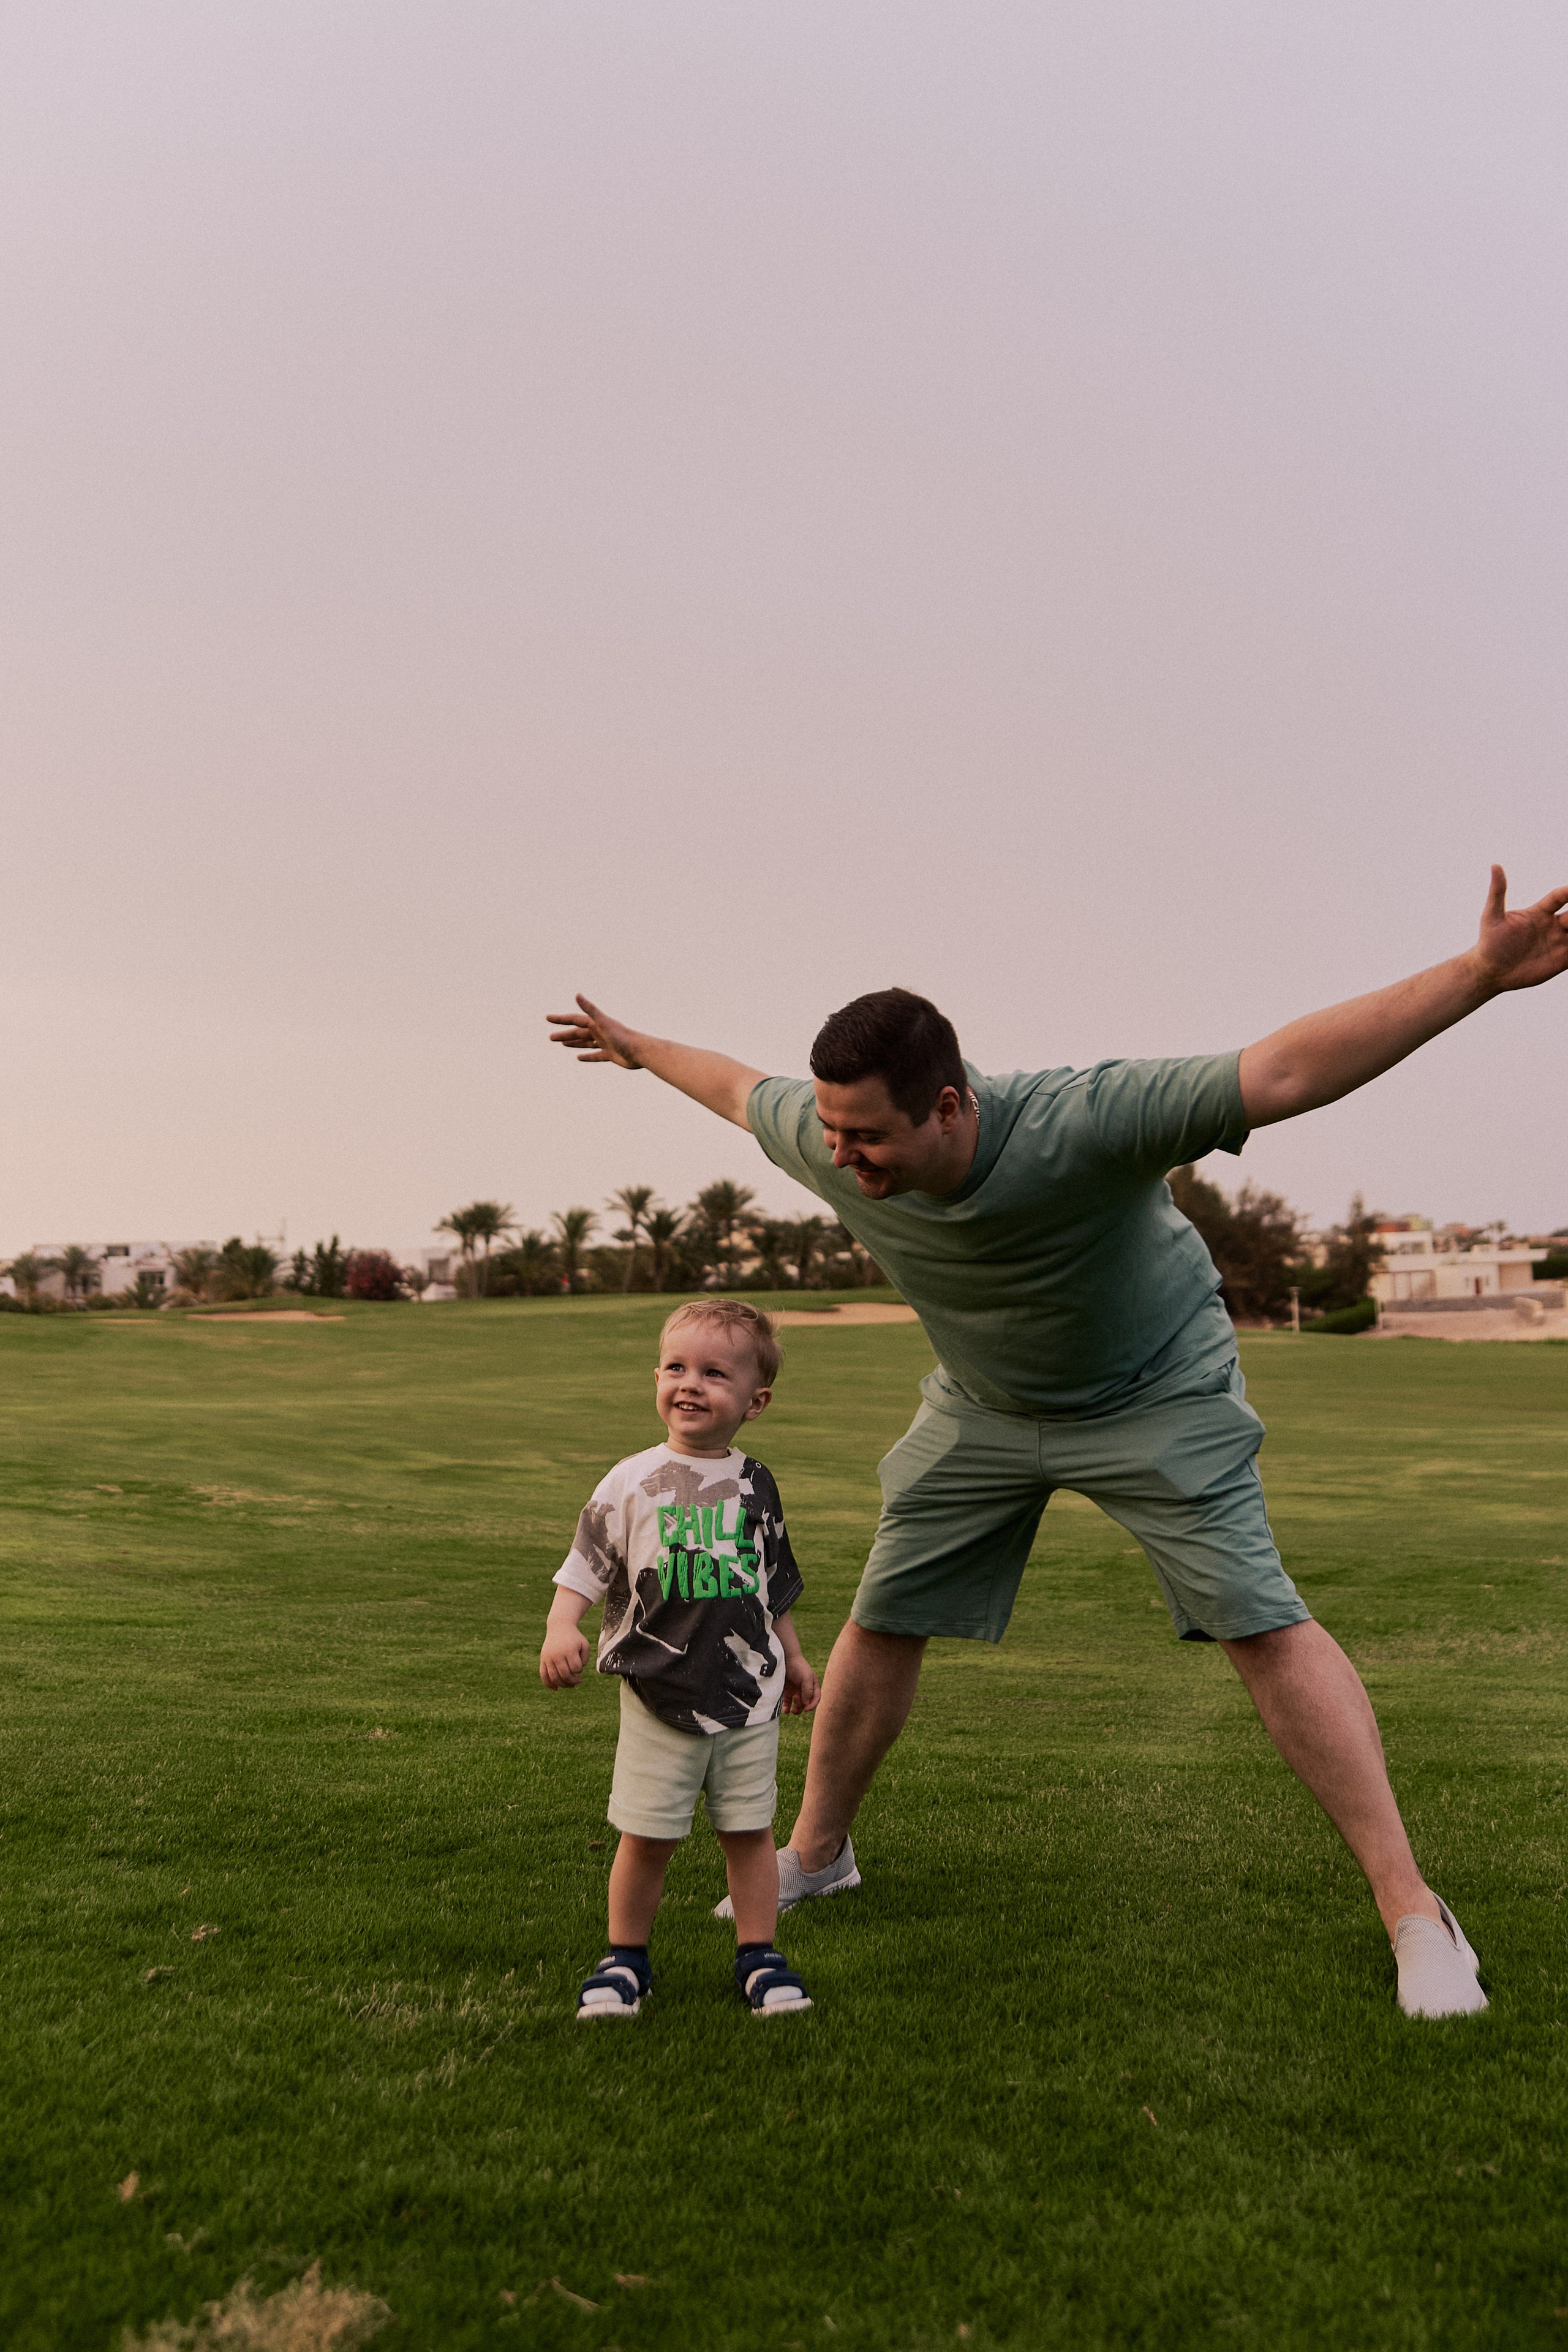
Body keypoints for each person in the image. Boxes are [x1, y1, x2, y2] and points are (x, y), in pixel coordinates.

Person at [548, 865, 1568, 2019]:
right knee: (884, 1616)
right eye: (832, 1132)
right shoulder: (825, 1130)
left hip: (1156, 1392)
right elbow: (736, 1086)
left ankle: (1415, 1914)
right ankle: (820, 1851)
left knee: (1261, 1624)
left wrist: (1480, 976)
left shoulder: (1091, 1118)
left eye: (868, 1136)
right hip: (985, 1404)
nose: (842, 1160)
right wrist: (637, 1046)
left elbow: (1285, 1070)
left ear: (951, 1104)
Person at [540, 1295, 821, 2021]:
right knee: (648, 1834)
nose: (689, 1384)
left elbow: (772, 1584)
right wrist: (561, 1628)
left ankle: (759, 1956)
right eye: (676, 1367)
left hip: (748, 1696)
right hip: (658, 1692)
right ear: (656, 1379)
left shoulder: (757, 1484)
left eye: (714, 1373)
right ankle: (624, 1960)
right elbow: (585, 1564)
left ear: (755, 1401)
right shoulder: (630, 1480)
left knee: (749, 1831)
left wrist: (792, 1657)